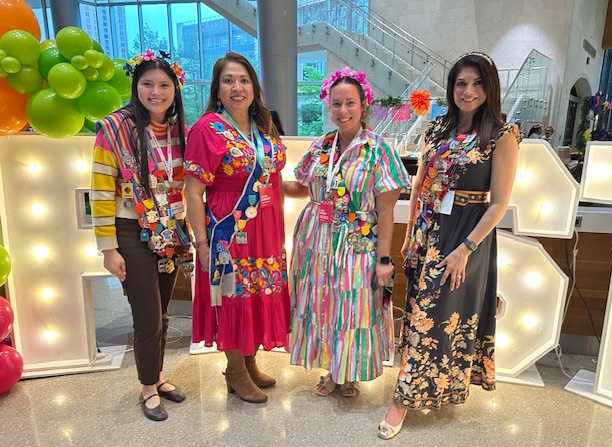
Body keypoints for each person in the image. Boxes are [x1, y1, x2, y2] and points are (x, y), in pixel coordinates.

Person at [378, 52, 520, 439]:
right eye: (461, 83)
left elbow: (498, 203)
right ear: (451, 87)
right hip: (427, 232)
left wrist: (466, 248)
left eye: (477, 83)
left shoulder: (503, 135)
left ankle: (402, 400)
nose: (468, 91)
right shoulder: (438, 128)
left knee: (434, 315)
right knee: (420, 313)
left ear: (489, 86)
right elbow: (420, 179)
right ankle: (419, 386)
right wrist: (409, 237)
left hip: (465, 236)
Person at [286, 67, 411, 397]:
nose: (343, 111)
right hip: (315, 240)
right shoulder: (322, 146)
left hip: (356, 241)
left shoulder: (379, 150)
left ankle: (349, 371)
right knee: (323, 304)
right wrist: (267, 183)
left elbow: (386, 211)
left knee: (354, 306)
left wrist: (384, 258)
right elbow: (303, 187)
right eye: (336, 104)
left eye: (350, 103)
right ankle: (331, 367)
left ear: (364, 105)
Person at [184, 52, 290, 404]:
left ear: (253, 87)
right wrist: (201, 244)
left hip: (266, 228)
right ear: (217, 89)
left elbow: (271, 177)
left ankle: (248, 361)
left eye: (244, 80)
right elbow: (194, 191)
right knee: (233, 296)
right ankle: (236, 372)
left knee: (258, 292)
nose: (237, 87)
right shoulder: (206, 129)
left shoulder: (263, 127)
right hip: (229, 232)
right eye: (228, 80)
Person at [90, 51, 189, 421]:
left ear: (175, 89)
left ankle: (157, 376)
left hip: (171, 230)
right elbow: (100, 191)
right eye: (147, 83)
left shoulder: (181, 130)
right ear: (136, 86)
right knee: (147, 316)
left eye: (165, 85)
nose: (156, 92)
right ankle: (148, 387)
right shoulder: (114, 128)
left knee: (162, 313)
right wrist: (107, 247)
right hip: (131, 230)